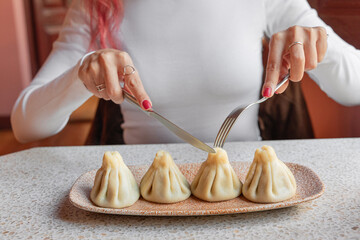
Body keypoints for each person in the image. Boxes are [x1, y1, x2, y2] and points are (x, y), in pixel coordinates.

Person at [11, 0, 360, 145]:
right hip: (140, 201)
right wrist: (80, 76)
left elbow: (353, 88)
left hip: (246, 195)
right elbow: (25, 125)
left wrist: (319, 44)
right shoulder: (97, 5)